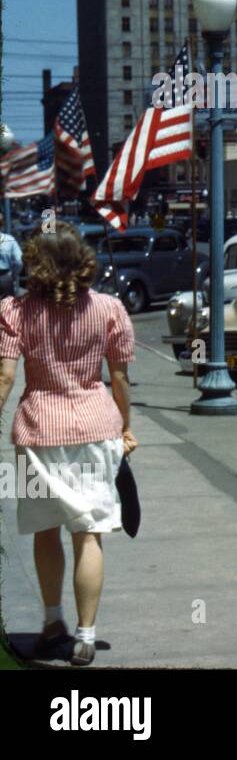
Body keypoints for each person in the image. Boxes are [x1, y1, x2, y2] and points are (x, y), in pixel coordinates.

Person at [0, 222, 137, 666]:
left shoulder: (15, 311)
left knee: (44, 529)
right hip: (96, 429)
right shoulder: (110, 309)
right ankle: (86, 636)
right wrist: (124, 427)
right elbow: (119, 378)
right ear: (84, 263)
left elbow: (4, 376)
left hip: (37, 430)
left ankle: (52, 621)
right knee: (89, 532)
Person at [0, 213, 22, 297]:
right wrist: (13, 274)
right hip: (5, 278)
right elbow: (19, 261)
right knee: (8, 307)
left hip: (5, 277)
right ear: (2, 224)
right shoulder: (9, 239)